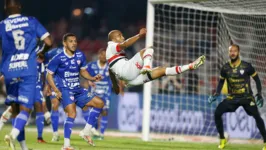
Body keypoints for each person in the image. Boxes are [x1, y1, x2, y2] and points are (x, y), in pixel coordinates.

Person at [0, 0, 52, 149]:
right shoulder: (31, 21)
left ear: (5, 9)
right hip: (27, 69)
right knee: (26, 109)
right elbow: (48, 41)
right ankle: (12, 135)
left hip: (9, 70)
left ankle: (23, 147)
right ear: (20, 7)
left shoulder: (2, 25)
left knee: (16, 110)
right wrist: (41, 52)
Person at [46, 33, 105, 149]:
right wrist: (56, 90)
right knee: (72, 113)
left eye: (75, 41)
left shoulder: (80, 55)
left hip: (77, 89)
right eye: (71, 41)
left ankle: (86, 132)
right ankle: (66, 145)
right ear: (65, 43)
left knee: (100, 103)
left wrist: (92, 78)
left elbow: (83, 71)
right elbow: (49, 75)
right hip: (65, 90)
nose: (74, 43)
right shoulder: (58, 58)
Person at [106, 28, 205, 91]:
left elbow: (110, 70)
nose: (122, 37)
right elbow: (125, 44)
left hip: (130, 81)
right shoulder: (111, 46)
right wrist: (139, 35)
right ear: (113, 39)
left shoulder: (113, 55)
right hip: (127, 73)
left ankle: (190, 66)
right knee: (147, 50)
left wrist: (115, 86)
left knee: (162, 70)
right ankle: (147, 66)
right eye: (120, 36)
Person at [208, 44, 266, 150]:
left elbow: (257, 80)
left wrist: (259, 94)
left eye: (234, 51)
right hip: (232, 98)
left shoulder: (247, 66)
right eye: (231, 51)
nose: (233, 53)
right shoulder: (225, 68)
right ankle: (222, 139)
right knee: (217, 113)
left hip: (247, 98)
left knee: (257, 117)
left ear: (238, 52)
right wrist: (216, 93)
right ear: (229, 53)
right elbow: (221, 82)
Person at [86, 48, 112, 139]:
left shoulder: (110, 67)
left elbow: (115, 78)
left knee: (104, 112)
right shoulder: (91, 65)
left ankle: (101, 134)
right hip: (94, 92)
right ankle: (93, 130)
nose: (104, 57)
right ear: (98, 55)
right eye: (102, 55)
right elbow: (83, 73)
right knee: (93, 113)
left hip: (105, 92)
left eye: (105, 55)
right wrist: (89, 80)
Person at [44, 47, 63, 141]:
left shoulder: (73, 55)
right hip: (55, 84)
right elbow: (48, 73)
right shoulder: (49, 55)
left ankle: (89, 129)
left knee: (70, 110)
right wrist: (48, 85)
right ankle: (55, 133)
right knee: (54, 105)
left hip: (67, 84)